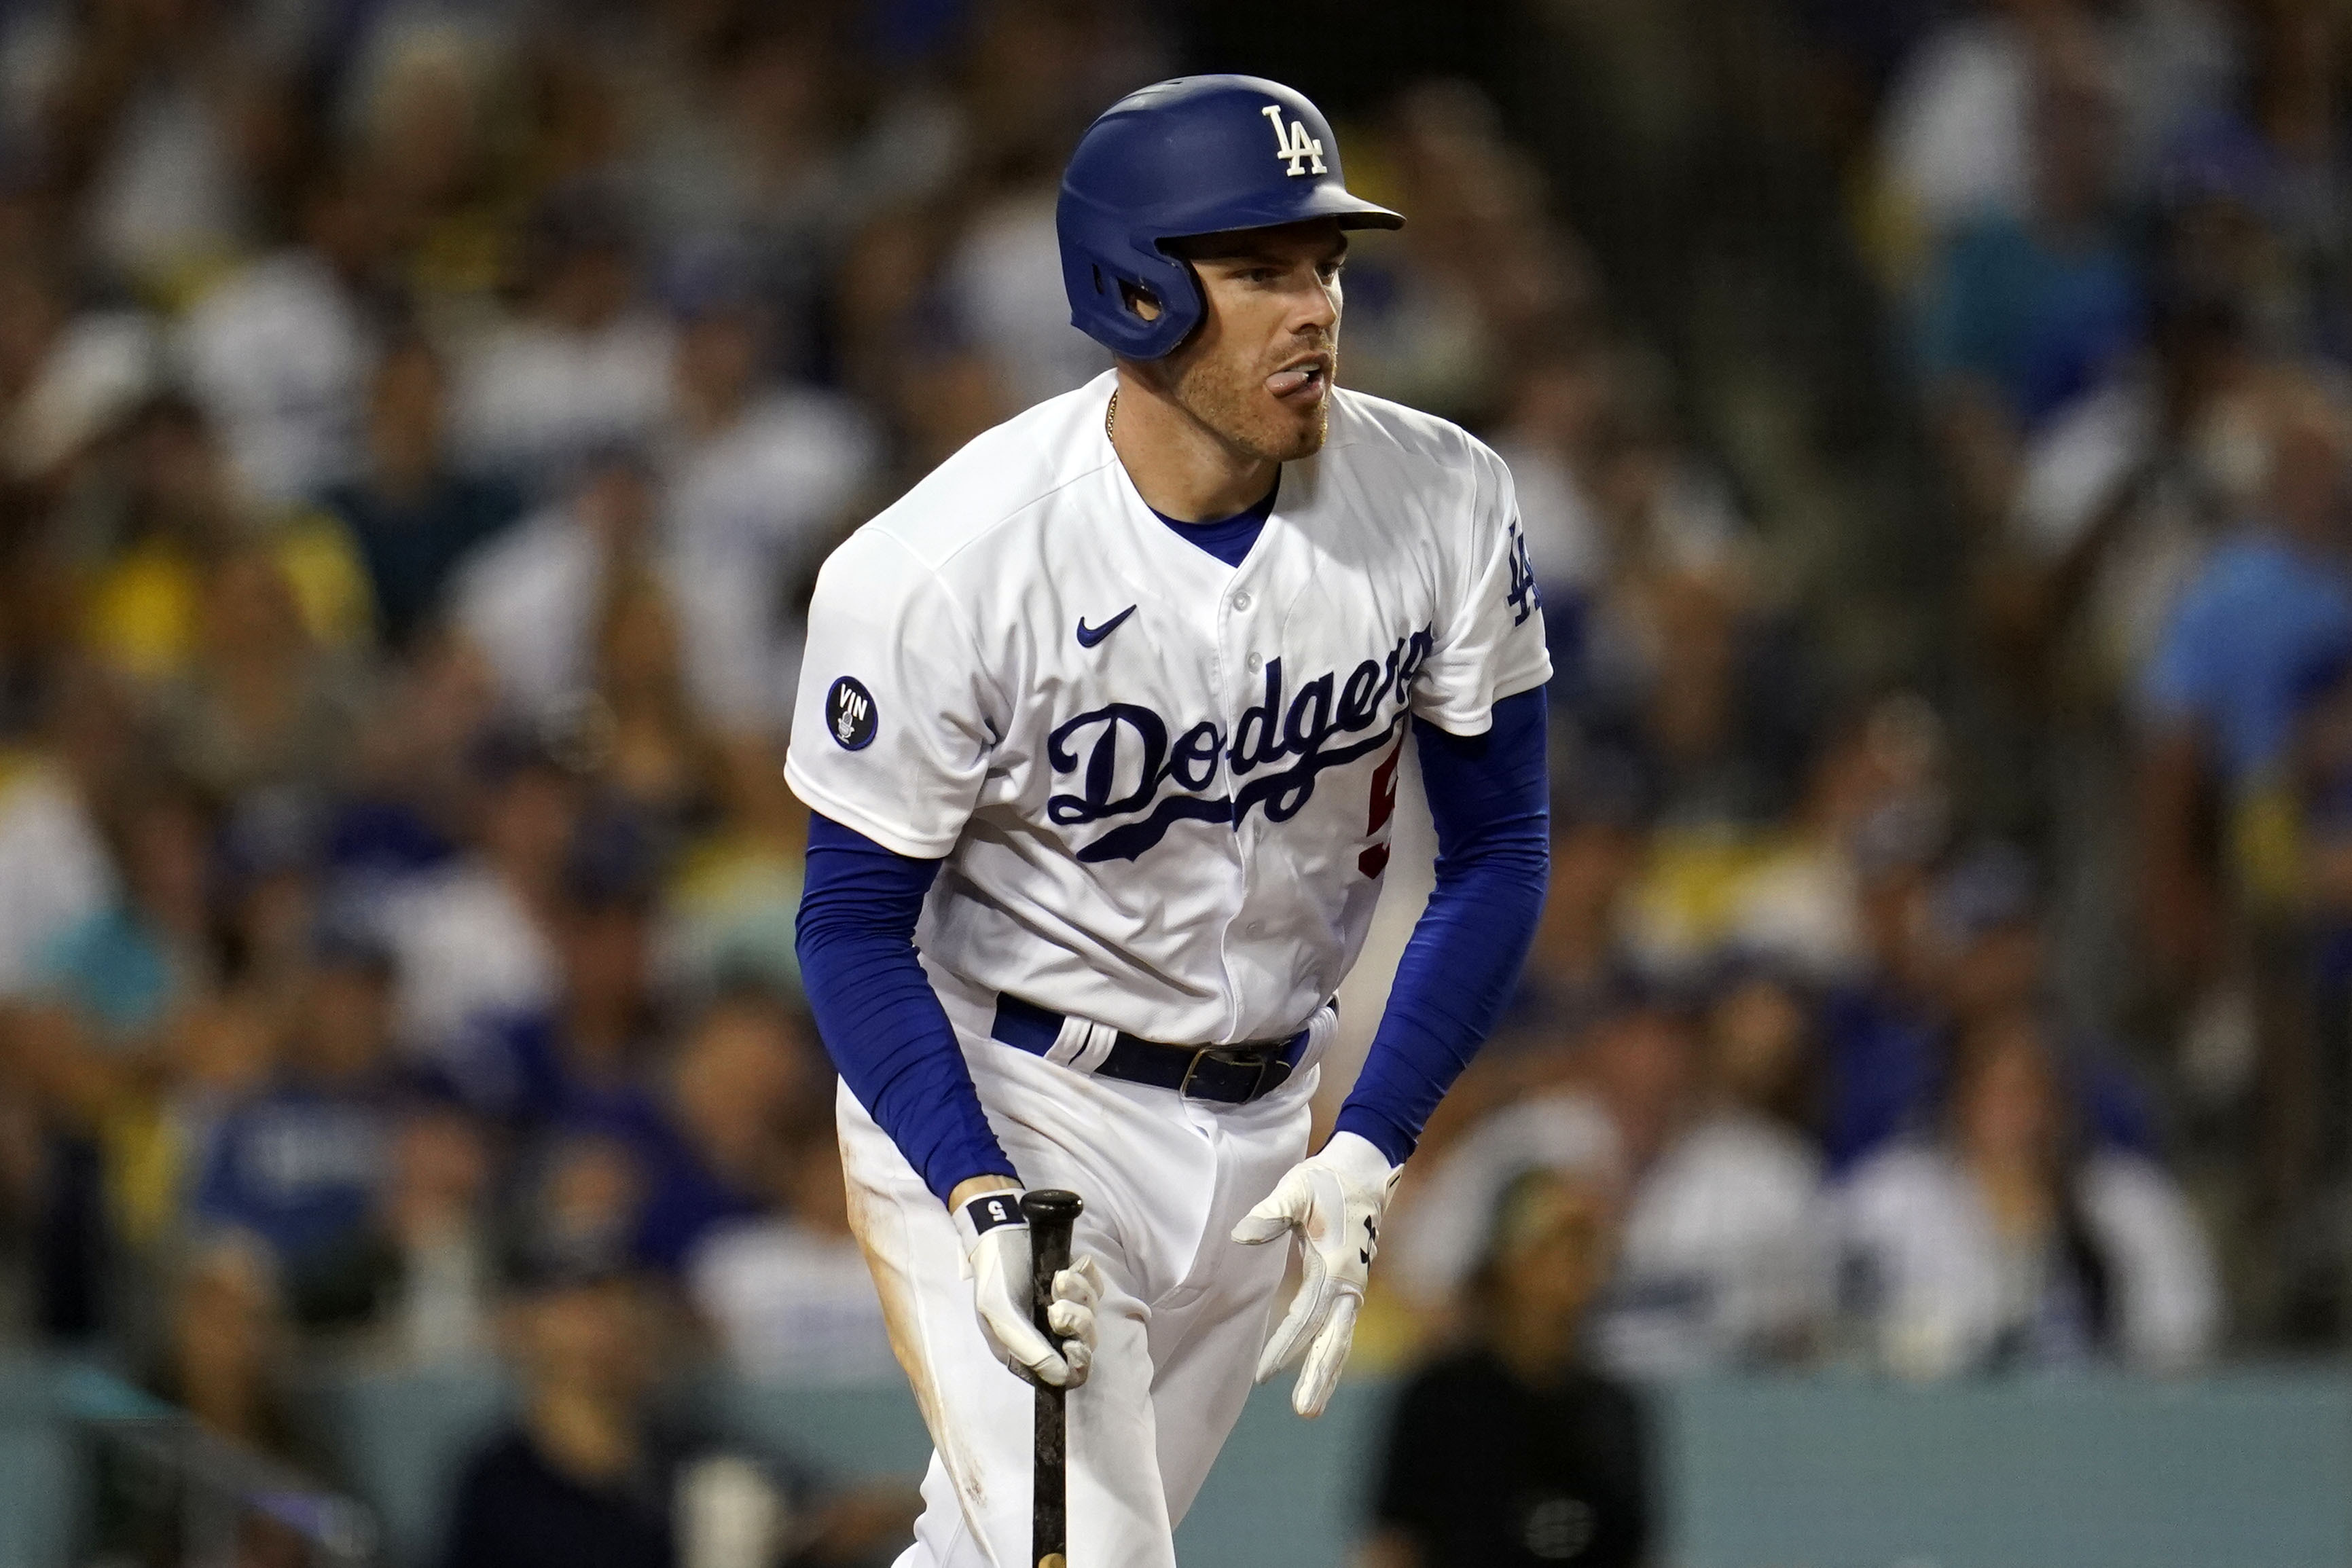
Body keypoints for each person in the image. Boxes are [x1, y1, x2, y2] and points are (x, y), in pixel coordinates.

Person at [788, 77, 1551, 1568]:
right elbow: (851, 923)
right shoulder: (946, 566)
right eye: (1260, 266)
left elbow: (1502, 850)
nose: (1316, 306)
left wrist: (1373, 1142)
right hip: (1014, 1095)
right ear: (1133, 286)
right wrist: (978, 1186)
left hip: (1270, 1122)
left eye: (1326, 263)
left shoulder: (1444, 498)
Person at [1839, 1008, 2219, 1377]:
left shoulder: (2131, 1201)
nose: (2016, 1112)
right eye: (1994, 1091)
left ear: (2063, 1102)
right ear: (1957, 1098)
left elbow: (2183, 1335)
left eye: (2032, 1091)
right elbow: (1840, 1332)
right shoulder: (1886, 1198)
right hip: (1923, 1425)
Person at [1362, 1169, 1650, 1568]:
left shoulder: (1615, 1411)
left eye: (1584, 1249)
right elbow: (1394, 1547)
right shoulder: (1439, 1401)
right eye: (1552, 1247)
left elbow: (1637, 1550)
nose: (1571, 1269)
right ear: (1505, 1261)